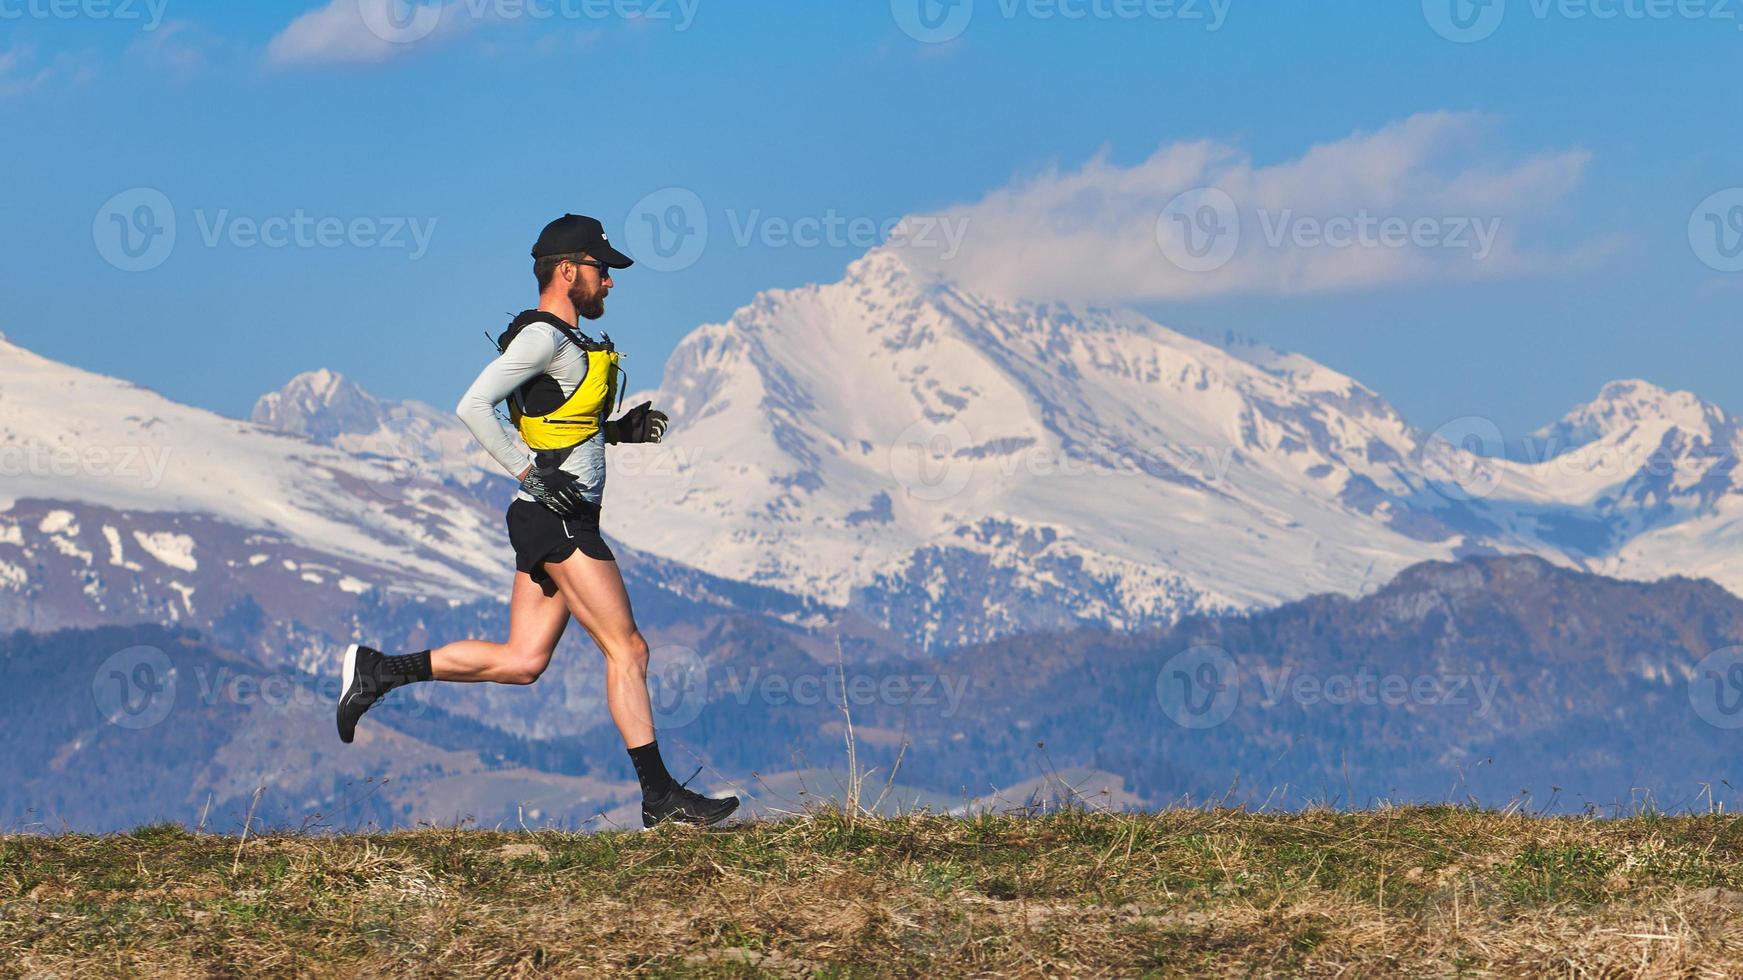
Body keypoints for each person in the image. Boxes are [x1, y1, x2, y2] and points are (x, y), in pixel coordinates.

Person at [335, 213, 738, 829]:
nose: (610, 282)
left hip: (547, 516)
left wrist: (617, 433)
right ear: (568, 271)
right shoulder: (544, 339)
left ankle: (379, 671)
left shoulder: (571, 344)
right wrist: (528, 472)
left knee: (522, 661)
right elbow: (472, 407)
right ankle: (659, 797)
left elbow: (559, 423)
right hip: (558, 517)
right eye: (603, 270)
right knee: (627, 647)